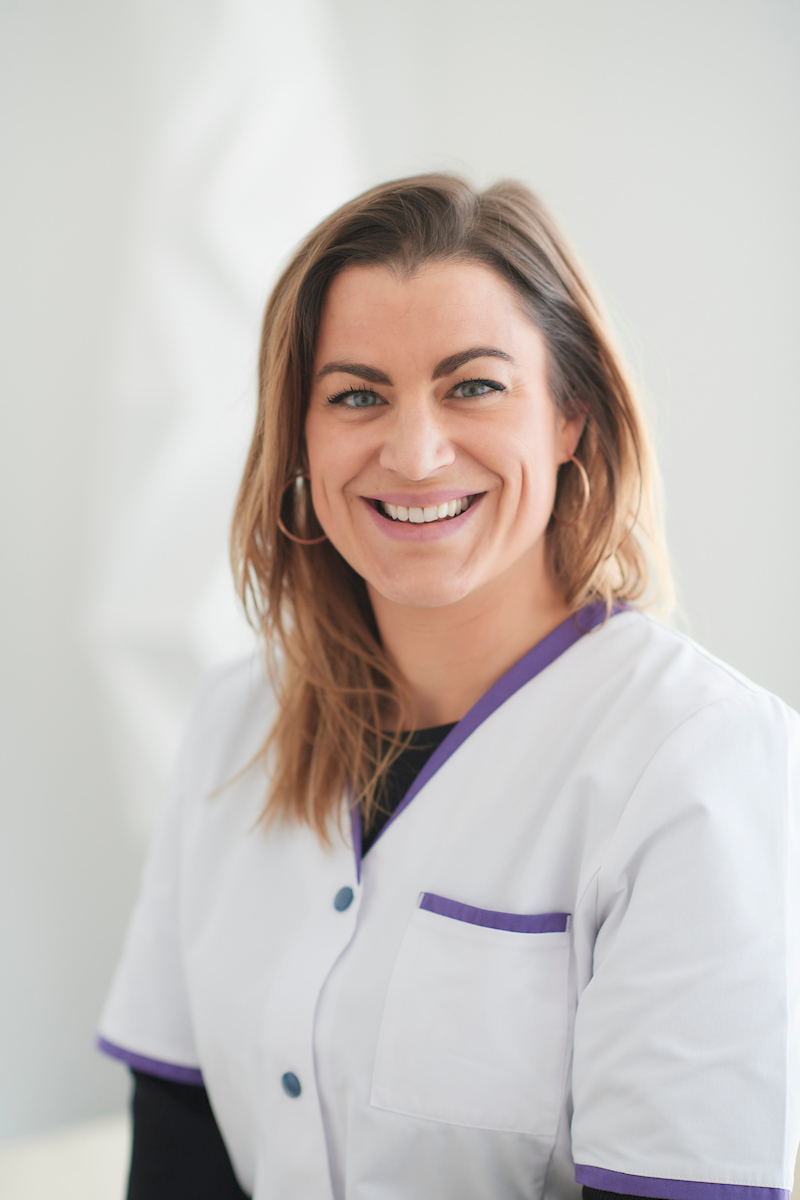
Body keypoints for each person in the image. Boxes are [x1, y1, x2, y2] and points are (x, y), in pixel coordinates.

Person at [97, 175, 800, 1200]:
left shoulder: (696, 758)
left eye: (472, 386)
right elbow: (178, 1140)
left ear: (570, 417)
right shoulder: (233, 725)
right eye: (356, 395)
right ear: (301, 437)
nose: (415, 453)